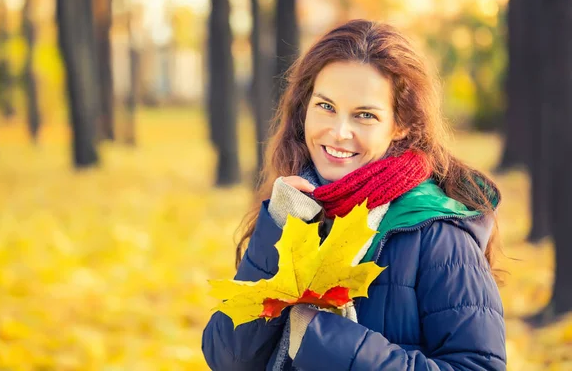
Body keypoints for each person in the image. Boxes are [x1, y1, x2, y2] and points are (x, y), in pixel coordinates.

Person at [202, 19, 506, 371]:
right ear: (304, 107)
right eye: (326, 106)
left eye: (364, 115)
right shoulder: (294, 206)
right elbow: (228, 359)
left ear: (401, 125)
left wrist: (329, 341)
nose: (339, 132)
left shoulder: (437, 234)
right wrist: (276, 231)